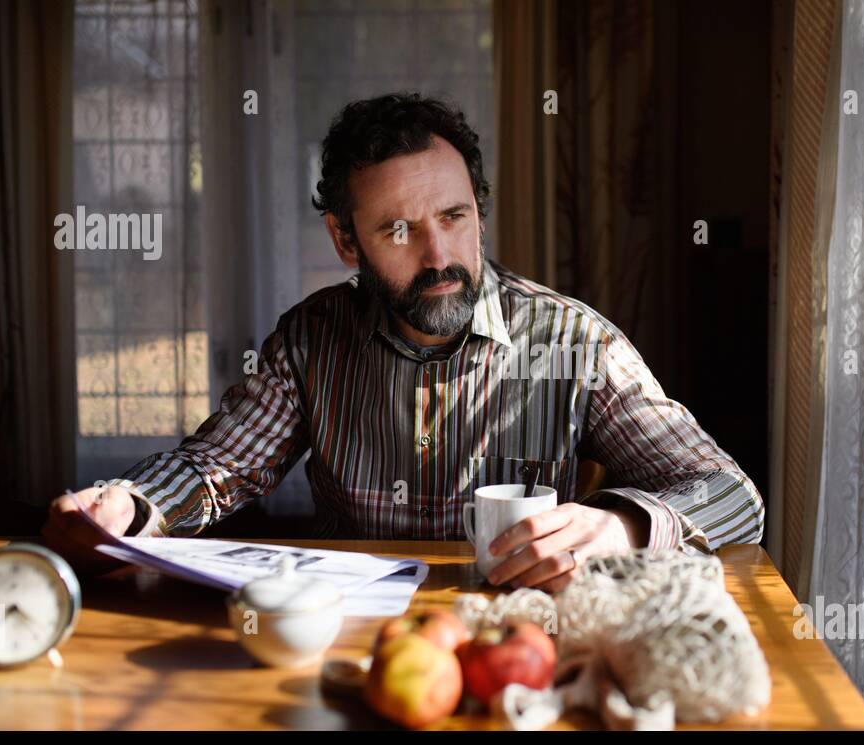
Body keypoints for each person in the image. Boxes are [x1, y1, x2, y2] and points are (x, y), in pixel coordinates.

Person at [43, 93, 763, 594]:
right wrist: (131, 508)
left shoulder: (576, 340)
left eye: (454, 215)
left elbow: (733, 496)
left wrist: (622, 525)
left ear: (479, 210)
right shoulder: (310, 340)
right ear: (345, 239)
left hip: (520, 649)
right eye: (397, 230)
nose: (439, 253)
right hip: (345, 645)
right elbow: (217, 467)